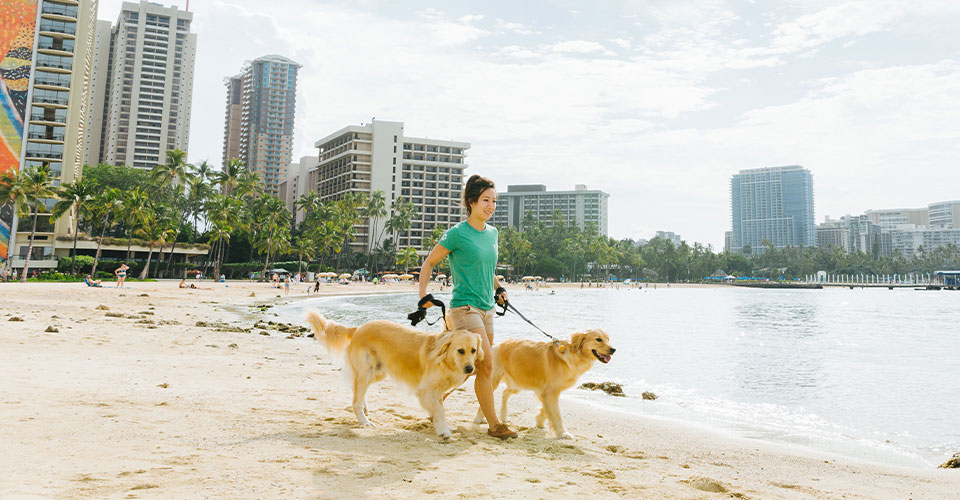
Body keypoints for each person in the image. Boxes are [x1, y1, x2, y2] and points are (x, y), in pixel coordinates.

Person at [418, 174, 517, 440]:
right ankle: (495, 426)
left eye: (494, 201)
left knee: (476, 367)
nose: (491, 206)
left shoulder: (493, 233)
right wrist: (423, 296)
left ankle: (435, 398)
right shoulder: (457, 234)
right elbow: (428, 263)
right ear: (471, 201)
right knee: (486, 368)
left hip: (487, 309)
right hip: (464, 309)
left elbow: (488, 269)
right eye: (486, 200)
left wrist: (499, 289)